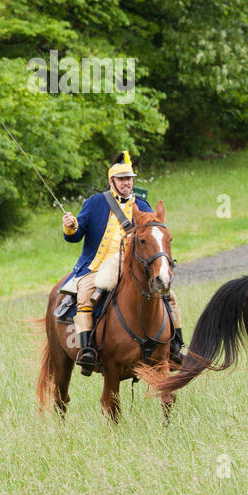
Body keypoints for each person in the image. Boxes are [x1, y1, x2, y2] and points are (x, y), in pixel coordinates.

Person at [61, 151, 184, 374]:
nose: (127, 183)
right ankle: (88, 349)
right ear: (111, 181)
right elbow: (74, 236)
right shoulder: (95, 203)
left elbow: (153, 231)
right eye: (122, 179)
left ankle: (175, 347)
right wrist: (70, 225)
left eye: (129, 179)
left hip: (134, 265)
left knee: (170, 296)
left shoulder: (143, 204)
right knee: (86, 293)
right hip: (98, 266)